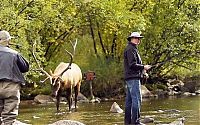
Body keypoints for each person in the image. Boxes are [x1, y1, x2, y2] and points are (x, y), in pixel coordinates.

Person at [0, 30, 29, 125]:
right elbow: (25, 68)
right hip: (11, 87)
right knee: (9, 117)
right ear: (8, 41)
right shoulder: (14, 54)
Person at [123, 32, 151, 125]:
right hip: (133, 78)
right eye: (136, 38)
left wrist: (143, 71)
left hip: (130, 77)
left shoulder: (131, 48)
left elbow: (133, 65)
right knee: (137, 99)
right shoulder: (131, 49)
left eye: (139, 38)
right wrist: (143, 67)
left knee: (129, 101)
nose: (138, 40)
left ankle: (128, 122)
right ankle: (136, 122)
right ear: (131, 38)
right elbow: (132, 65)